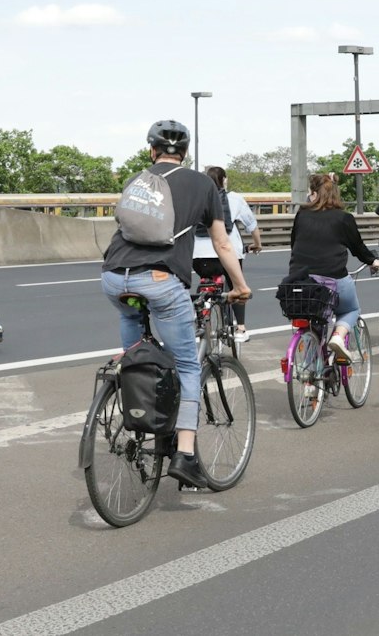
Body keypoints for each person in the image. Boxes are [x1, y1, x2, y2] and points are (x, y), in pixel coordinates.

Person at [99, 121, 250, 489]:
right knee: (185, 366)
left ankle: (134, 404)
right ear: (186, 154)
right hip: (161, 281)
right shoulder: (204, 185)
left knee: (136, 355)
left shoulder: (137, 180)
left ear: (152, 151)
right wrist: (241, 286)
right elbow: (223, 244)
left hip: (114, 276)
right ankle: (185, 455)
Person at [288, 172, 379, 364]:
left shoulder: (302, 215)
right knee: (351, 310)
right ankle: (339, 336)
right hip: (333, 279)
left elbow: (294, 244)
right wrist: (373, 261)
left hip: (300, 281)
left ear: (313, 194)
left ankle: (310, 383)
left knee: (312, 320)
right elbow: (358, 248)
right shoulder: (344, 218)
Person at [193, 166, 260, 339]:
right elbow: (251, 226)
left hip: (199, 257)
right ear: (224, 180)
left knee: (205, 285)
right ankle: (241, 329)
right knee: (236, 287)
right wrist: (257, 244)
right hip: (229, 255)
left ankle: (201, 318)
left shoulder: (198, 198)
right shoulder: (235, 198)